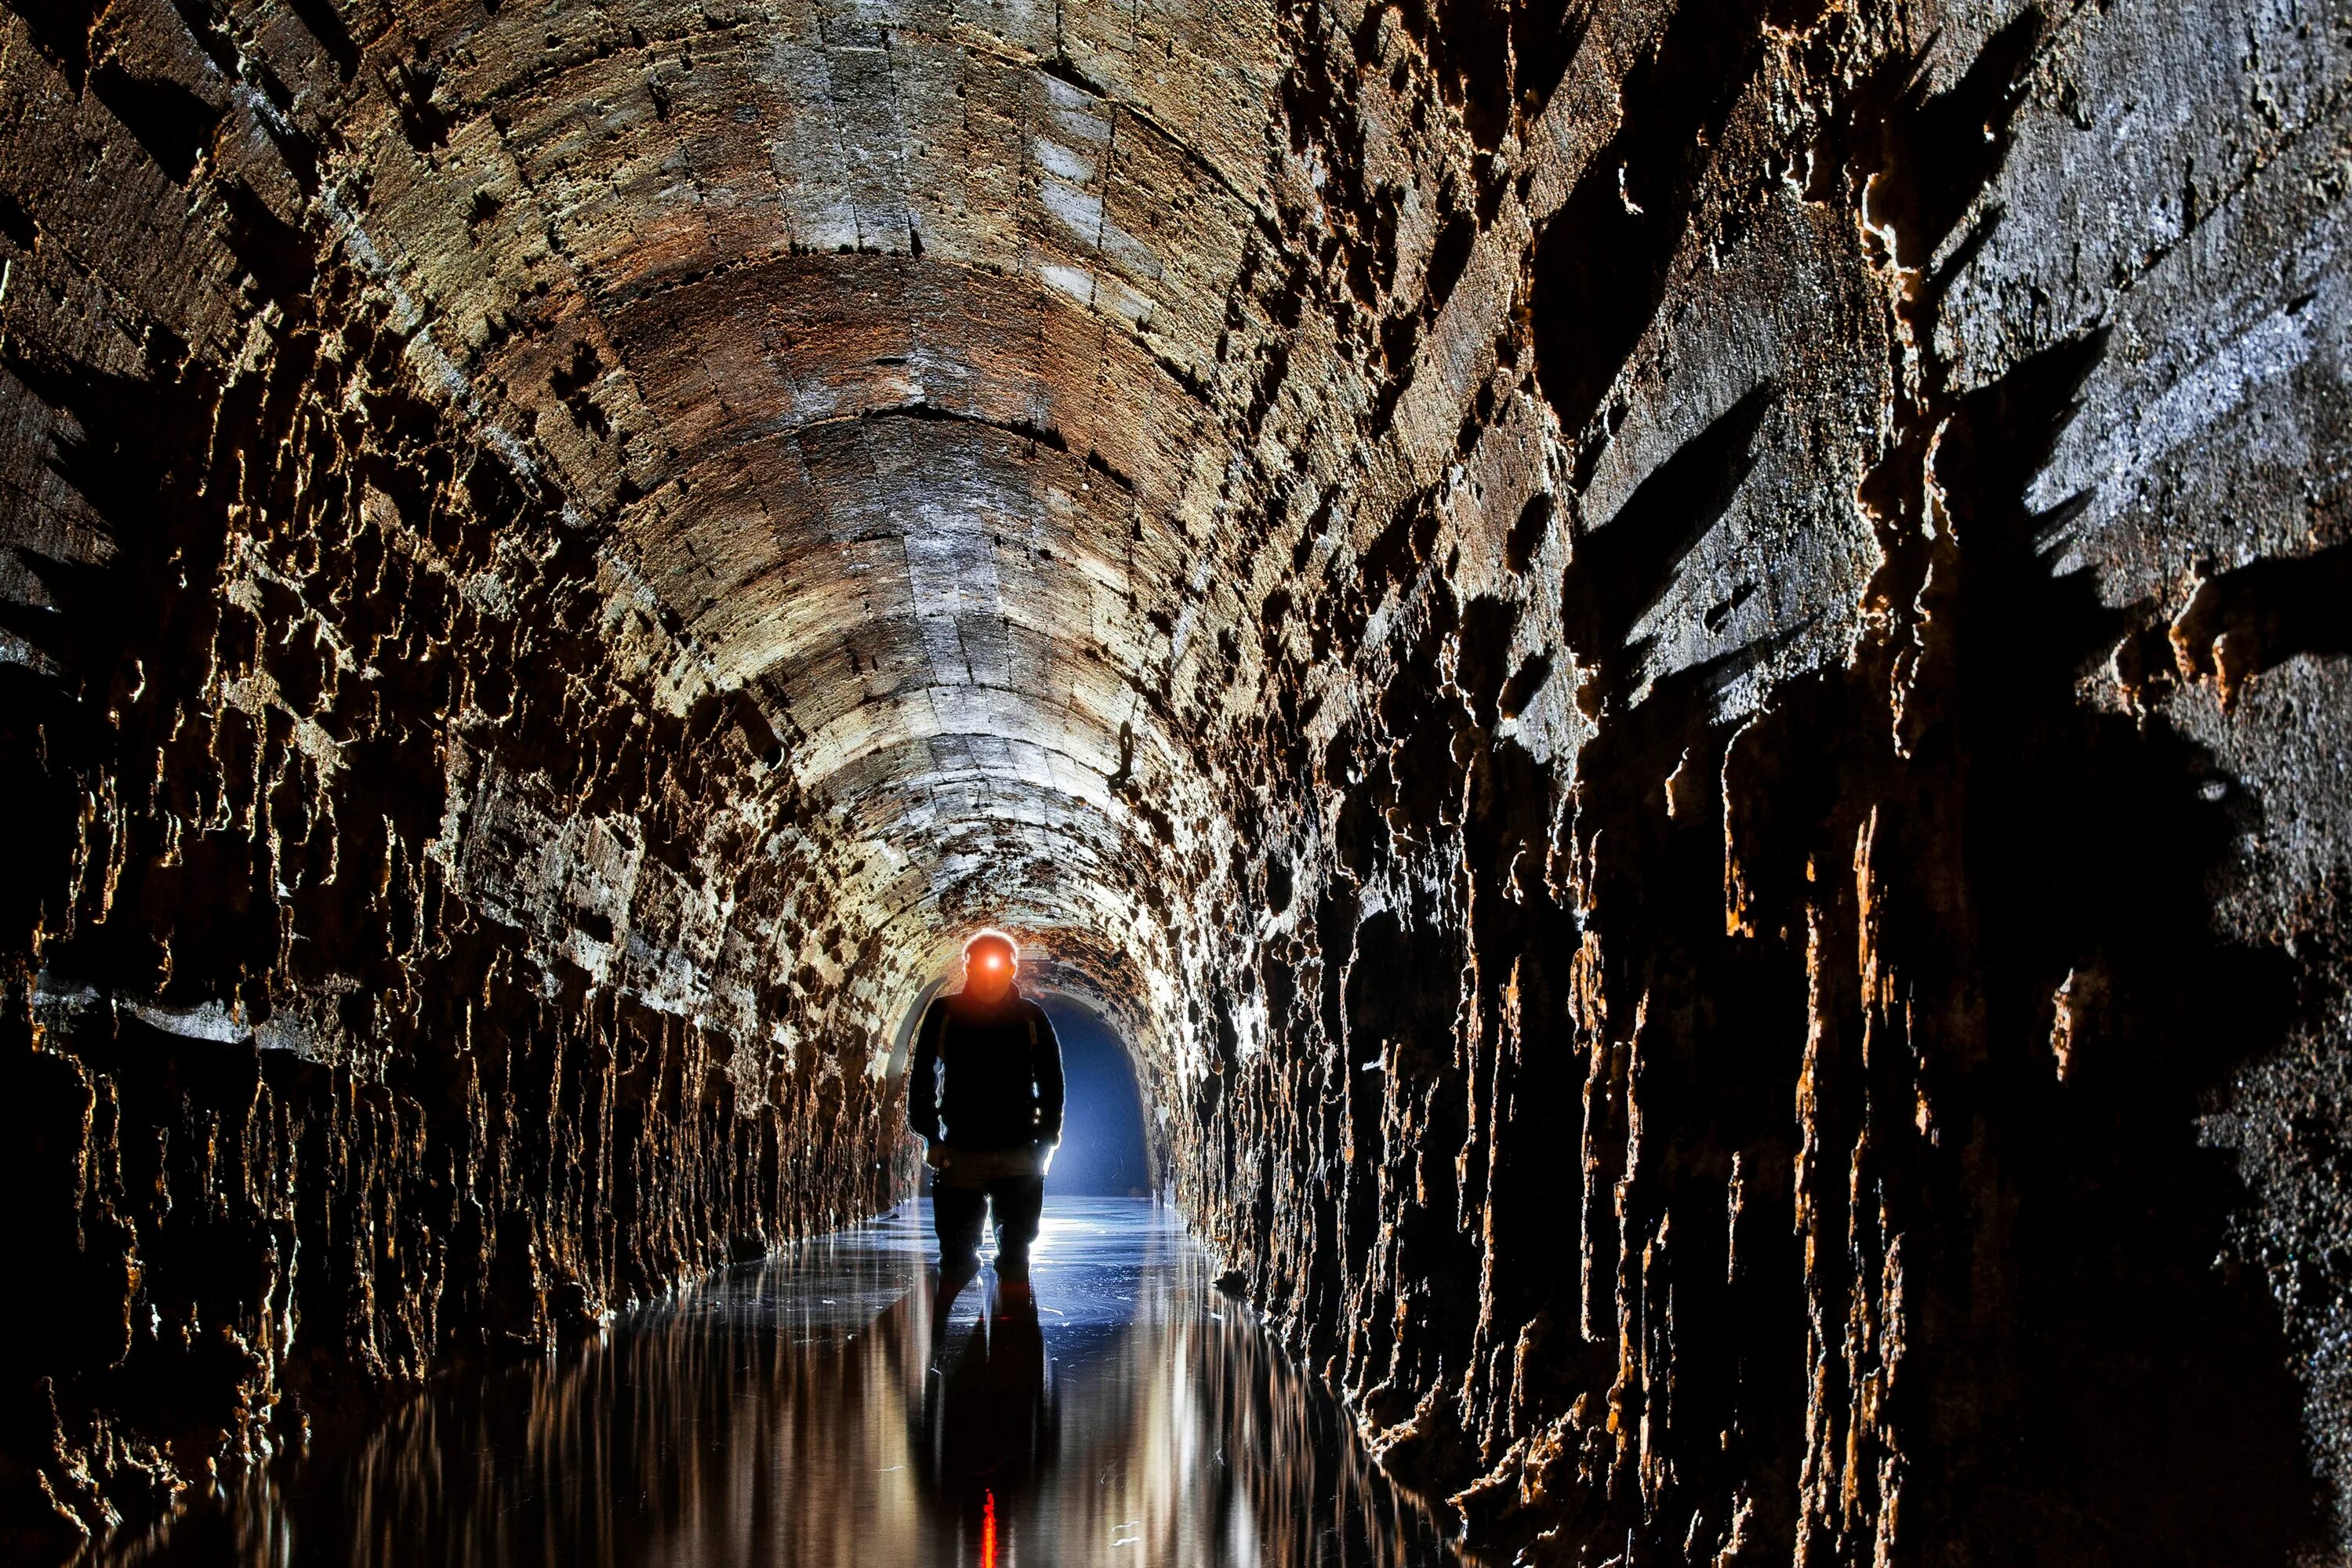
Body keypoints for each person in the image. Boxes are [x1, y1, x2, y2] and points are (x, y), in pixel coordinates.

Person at [906, 931, 1065, 1290]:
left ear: (1012, 967)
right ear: (967, 967)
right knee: (958, 1253)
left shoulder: (1030, 1017)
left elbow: (1052, 1081)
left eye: (998, 964)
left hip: (1019, 1148)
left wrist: (1047, 1138)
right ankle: (962, 1340)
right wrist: (931, 1136)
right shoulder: (945, 1013)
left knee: (1015, 1252)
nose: (990, 973)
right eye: (981, 964)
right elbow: (923, 1077)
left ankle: (1013, 1332)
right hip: (962, 1148)